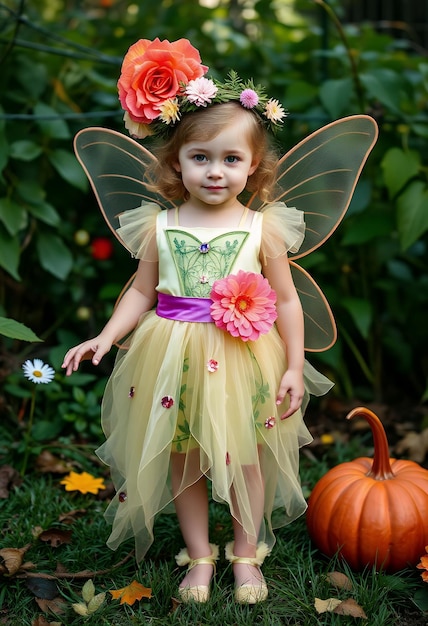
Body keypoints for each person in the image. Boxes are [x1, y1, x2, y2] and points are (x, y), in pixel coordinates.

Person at [62, 37, 334, 604]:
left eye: (231, 159)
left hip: (244, 356)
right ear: (175, 161)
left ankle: (244, 556)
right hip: (173, 355)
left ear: (253, 166)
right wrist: (106, 336)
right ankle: (201, 557)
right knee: (186, 456)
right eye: (200, 157)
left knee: (245, 457)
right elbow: (140, 291)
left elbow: (285, 300)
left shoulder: (265, 229)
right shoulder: (159, 226)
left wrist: (293, 362)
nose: (216, 172)